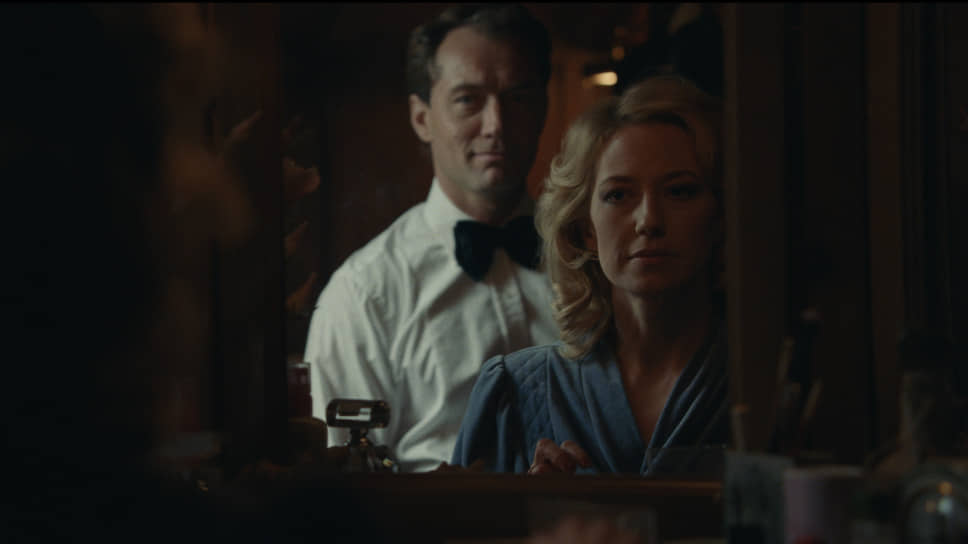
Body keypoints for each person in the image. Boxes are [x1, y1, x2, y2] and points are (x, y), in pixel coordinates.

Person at [304, 4, 558, 472]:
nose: (496, 124)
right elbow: (344, 483)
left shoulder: (594, 260)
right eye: (468, 100)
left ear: (543, 108)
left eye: (518, 97)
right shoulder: (365, 293)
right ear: (421, 118)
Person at [451, 75, 729, 475]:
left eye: (680, 191)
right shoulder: (513, 391)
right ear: (585, 229)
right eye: (619, 195)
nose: (649, 220)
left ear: (719, 216)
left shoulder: (769, 383)